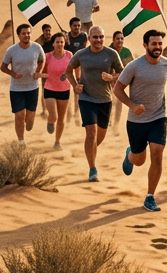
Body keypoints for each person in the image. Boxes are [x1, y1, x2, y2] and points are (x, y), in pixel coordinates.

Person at [114, 29, 167, 211]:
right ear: (145, 45)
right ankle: (130, 155)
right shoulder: (134, 66)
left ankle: (150, 196)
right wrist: (132, 105)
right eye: (154, 44)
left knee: (157, 155)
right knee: (139, 160)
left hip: (159, 117)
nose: (158, 47)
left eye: (160, 44)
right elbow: (117, 90)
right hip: (136, 121)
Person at [66, 25, 123, 180]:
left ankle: (89, 150)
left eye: (101, 37)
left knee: (100, 136)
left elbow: (122, 72)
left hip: (105, 99)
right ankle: (92, 169)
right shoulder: (81, 54)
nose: (98, 40)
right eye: (95, 37)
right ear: (89, 38)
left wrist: (111, 78)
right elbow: (68, 69)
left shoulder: (111, 54)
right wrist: (74, 85)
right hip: (86, 98)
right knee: (91, 133)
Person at [2, 24, 45, 145]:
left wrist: (38, 72)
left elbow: (42, 60)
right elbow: (3, 67)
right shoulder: (11, 50)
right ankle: (21, 141)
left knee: (29, 120)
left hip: (33, 87)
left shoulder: (37, 47)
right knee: (19, 115)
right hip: (16, 88)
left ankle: (29, 122)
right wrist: (13, 74)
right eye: (24, 33)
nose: (26, 35)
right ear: (18, 35)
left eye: (28, 33)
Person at [41, 32, 71, 149]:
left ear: (65, 43)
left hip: (64, 89)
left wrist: (69, 76)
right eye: (57, 42)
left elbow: (73, 69)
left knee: (61, 118)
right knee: (53, 115)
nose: (59, 44)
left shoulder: (69, 55)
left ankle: (57, 142)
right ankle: (50, 121)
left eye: (62, 42)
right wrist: (41, 76)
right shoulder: (47, 56)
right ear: (53, 44)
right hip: (50, 88)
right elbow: (42, 71)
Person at [111, 30, 133, 128]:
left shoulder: (126, 52)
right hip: (108, 83)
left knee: (119, 104)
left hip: (120, 83)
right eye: (117, 38)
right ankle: (108, 123)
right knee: (109, 104)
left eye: (121, 38)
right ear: (113, 40)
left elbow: (131, 67)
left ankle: (116, 124)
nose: (120, 41)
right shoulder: (108, 51)